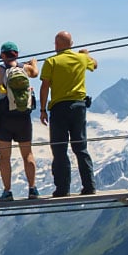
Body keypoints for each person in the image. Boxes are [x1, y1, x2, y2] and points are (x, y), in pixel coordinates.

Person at [38, 31, 98, 197]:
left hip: (59, 108)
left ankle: (63, 189)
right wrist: (86, 54)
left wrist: (42, 109)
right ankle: (89, 186)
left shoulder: (51, 61)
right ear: (72, 44)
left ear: (56, 45)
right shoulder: (81, 59)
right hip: (79, 107)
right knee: (80, 147)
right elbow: (95, 65)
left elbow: (44, 87)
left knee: (59, 149)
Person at [0, 41, 39, 201]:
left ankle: (7, 191)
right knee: (28, 154)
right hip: (23, 117)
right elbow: (36, 73)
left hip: (4, 117)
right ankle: (32, 189)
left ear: (3, 55)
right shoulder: (25, 68)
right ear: (16, 54)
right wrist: (34, 63)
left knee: (5, 157)